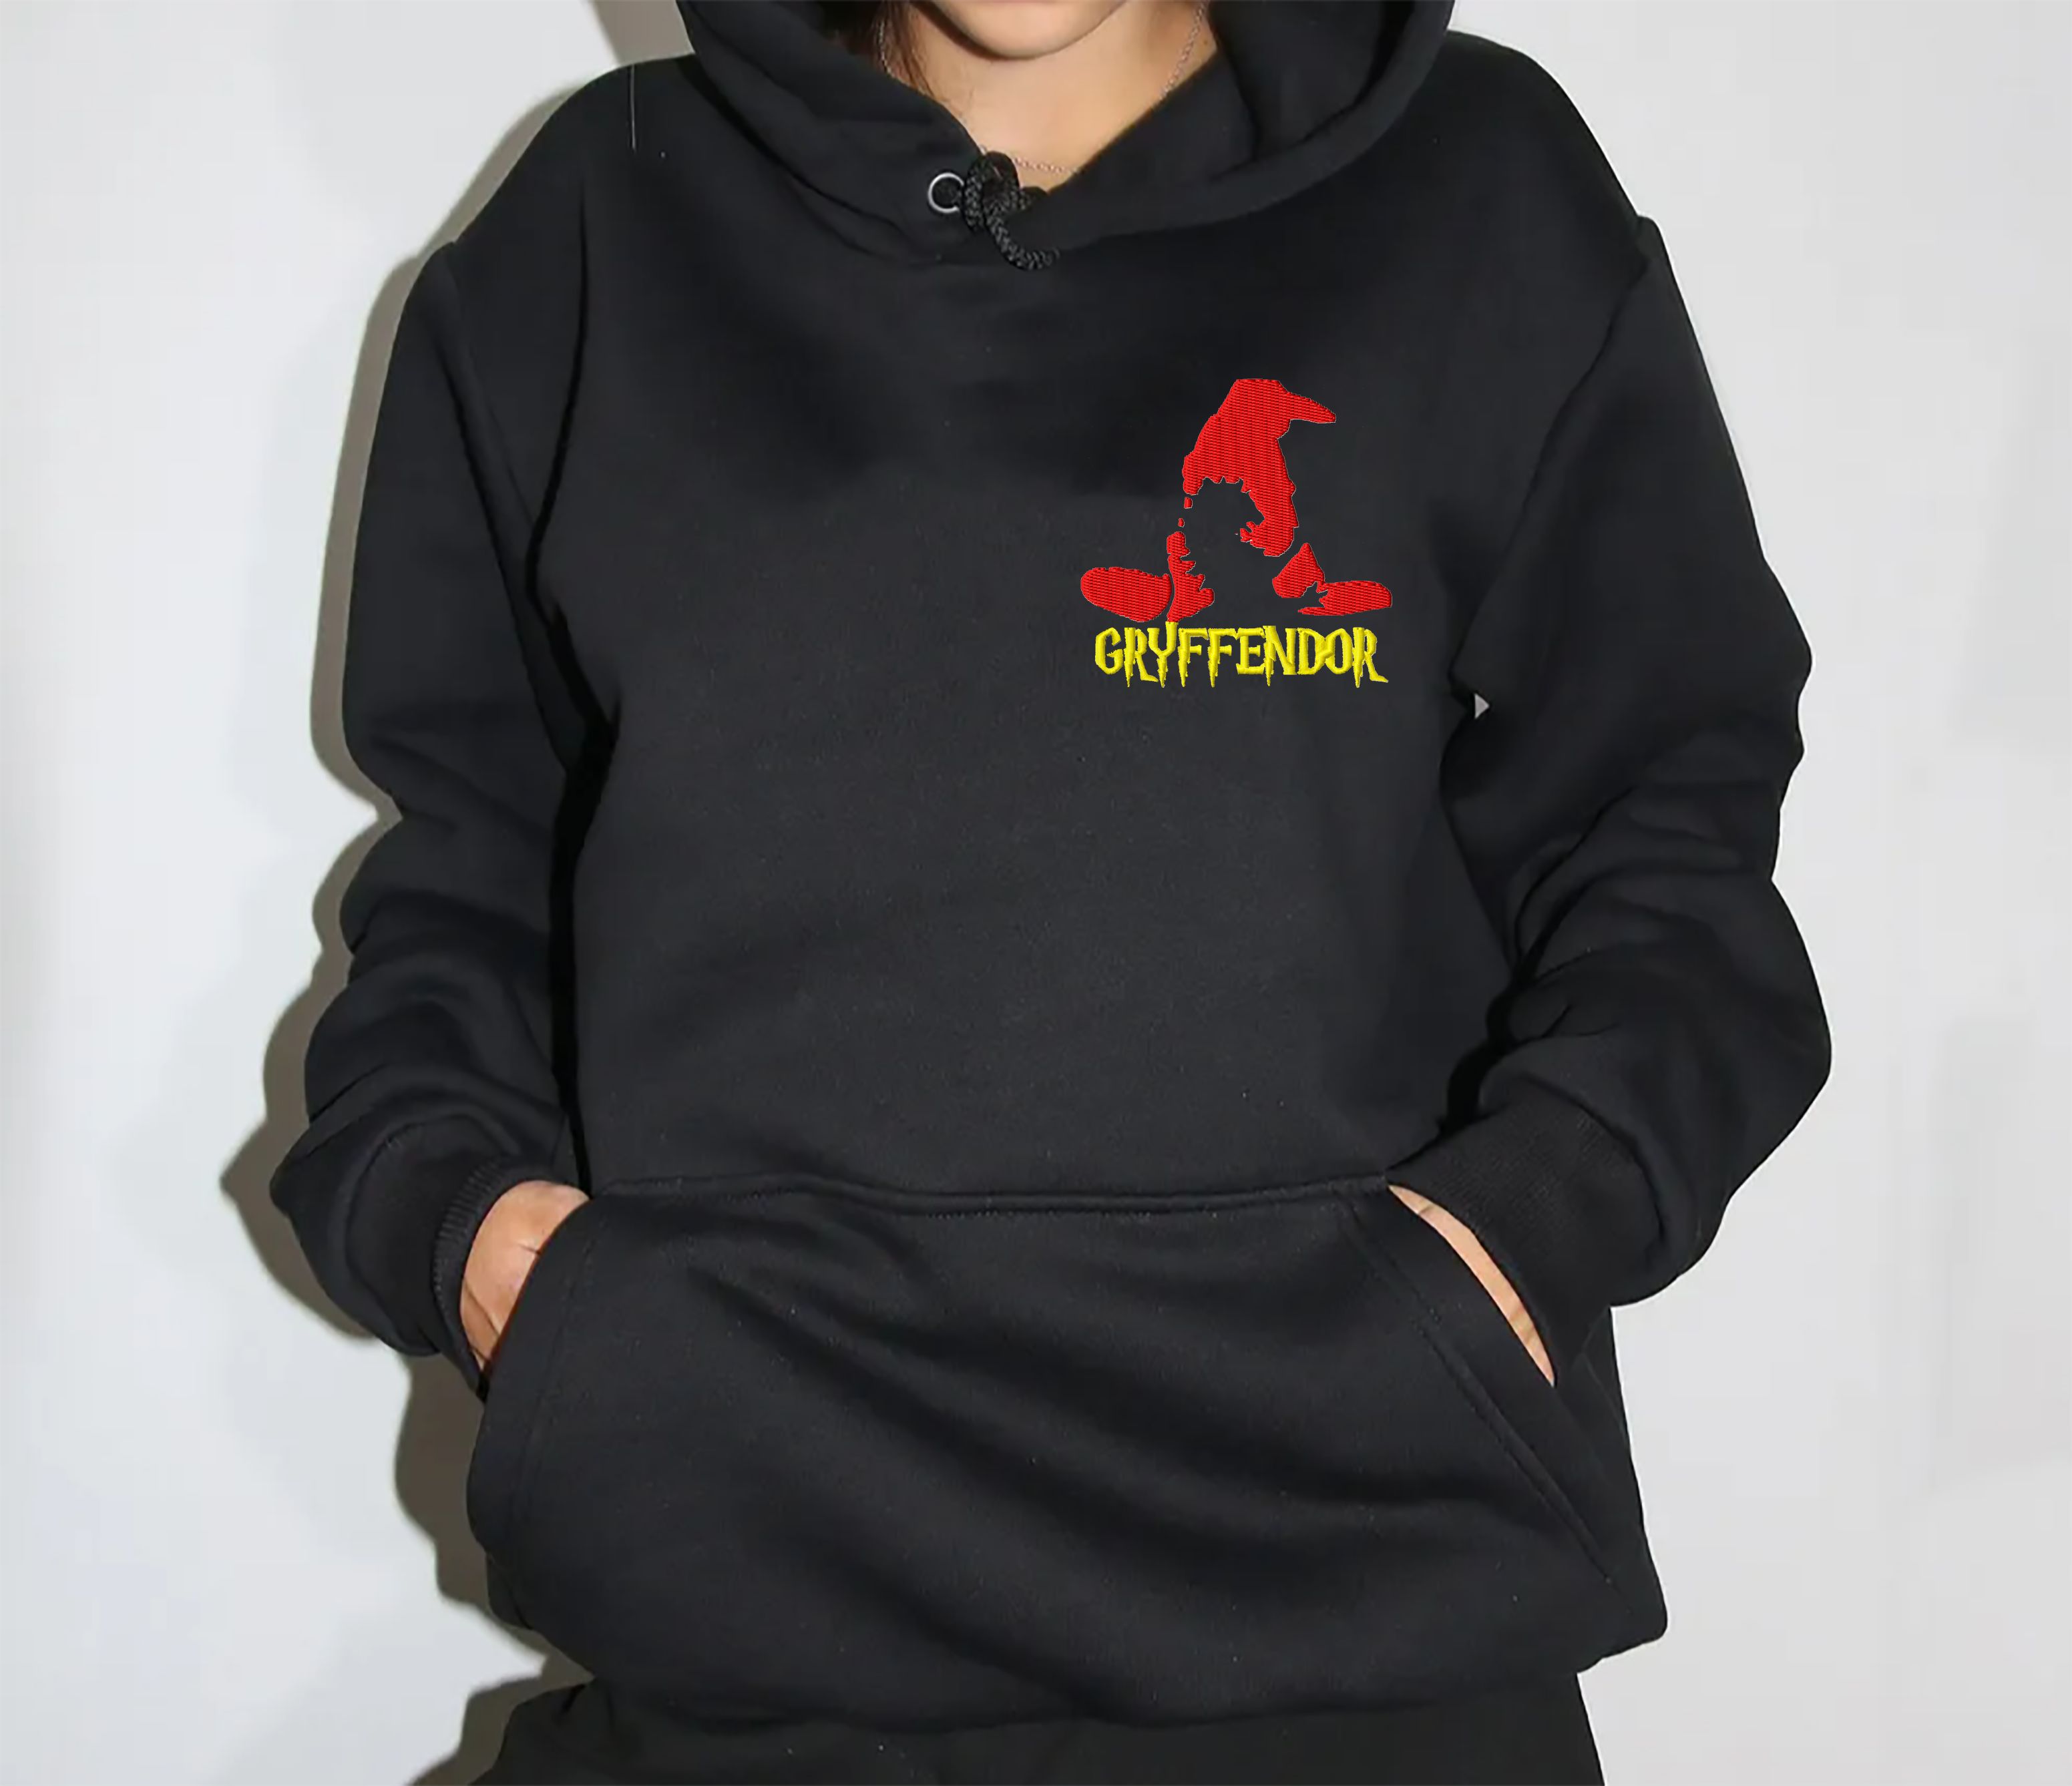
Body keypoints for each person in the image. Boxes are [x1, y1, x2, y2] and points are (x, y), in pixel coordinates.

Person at [270, 2, 1832, 1780]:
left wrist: (1529, 1220)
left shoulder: (1475, 187)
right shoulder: (600, 225)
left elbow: (1664, 809)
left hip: (1352, 1584)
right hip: (747, 1577)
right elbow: (471, 860)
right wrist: (469, 1228)